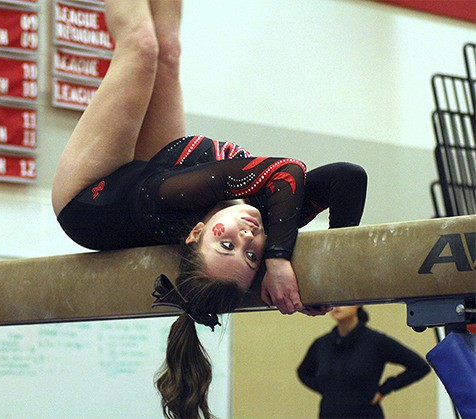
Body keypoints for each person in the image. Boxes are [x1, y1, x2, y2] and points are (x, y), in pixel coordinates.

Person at [52, 0, 367, 417]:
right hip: (150, 167)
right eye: (249, 253)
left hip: (91, 198)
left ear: (196, 233)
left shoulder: (171, 204)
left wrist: (274, 260)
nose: (247, 235)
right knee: (169, 53)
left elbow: (287, 170)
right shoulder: (271, 218)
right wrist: (331, 278)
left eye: (226, 245)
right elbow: (348, 177)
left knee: (142, 48)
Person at [297, 306, 431, 418]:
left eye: (342, 301)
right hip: (329, 414)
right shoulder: (322, 343)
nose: (337, 306)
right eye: (333, 301)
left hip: (366, 414)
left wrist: (385, 389)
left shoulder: (376, 341)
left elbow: (420, 366)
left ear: (357, 304)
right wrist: (328, 388)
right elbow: (303, 372)